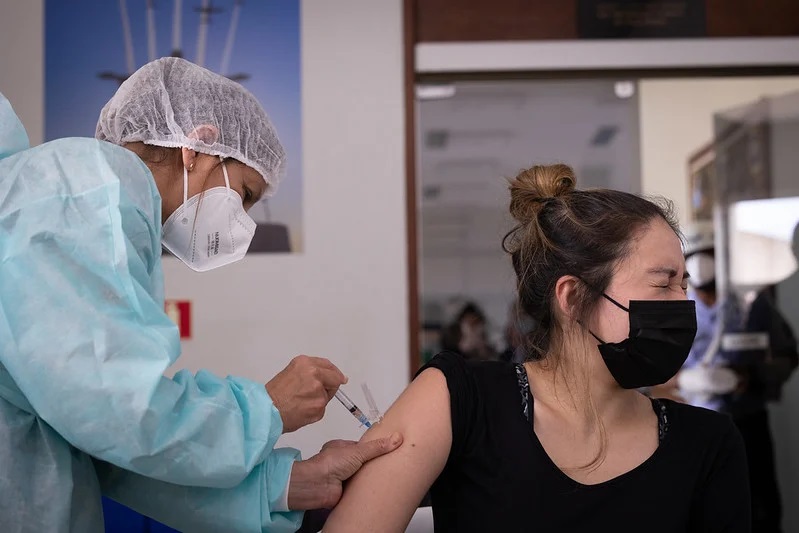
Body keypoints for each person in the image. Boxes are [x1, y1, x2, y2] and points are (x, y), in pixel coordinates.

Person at [0, 57, 400, 533]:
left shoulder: (100, 210)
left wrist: (285, 484)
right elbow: (124, 412)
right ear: (199, 145)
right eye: (245, 194)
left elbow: (104, 442)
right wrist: (268, 408)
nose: (242, 220)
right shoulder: (81, 198)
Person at [324, 164, 751, 532]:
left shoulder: (707, 442)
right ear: (572, 298)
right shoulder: (459, 399)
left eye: (684, 285)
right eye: (662, 284)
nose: (682, 304)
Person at [676, 222, 797, 533]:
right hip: (689, 422)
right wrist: (683, 382)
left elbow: (787, 356)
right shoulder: (673, 307)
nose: (702, 265)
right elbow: (645, 373)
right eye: (695, 256)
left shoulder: (752, 304)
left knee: (759, 508)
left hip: (747, 422)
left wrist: (749, 376)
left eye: (709, 254)